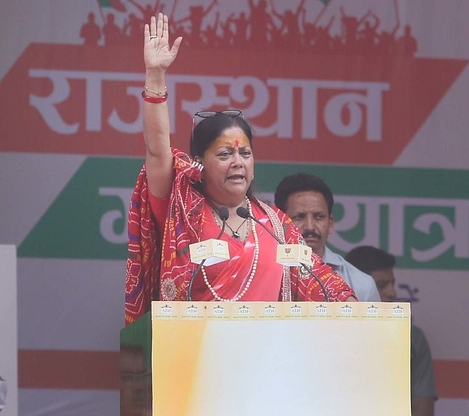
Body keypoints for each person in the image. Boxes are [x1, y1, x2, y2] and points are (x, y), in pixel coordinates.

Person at [125, 13, 356, 325]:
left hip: (266, 361)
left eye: (245, 153)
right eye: (224, 154)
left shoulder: (274, 225)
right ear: (200, 162)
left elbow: (318, 280)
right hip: (194, 358)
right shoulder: (180, 205)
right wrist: (155, 77)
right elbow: (156, 149)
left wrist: (356, 309)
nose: (238, 162)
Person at [345, 246, 437, 416]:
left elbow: (422, 404)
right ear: (354, 287)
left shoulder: (412, 337)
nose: (392, 293)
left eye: (392, 284)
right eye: (381, 285)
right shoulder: (330, 332)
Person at [274, 173, 380, 302]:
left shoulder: (362, 284)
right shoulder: (263, 275)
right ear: (279, 223)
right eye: (299, 217)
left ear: (330, 223)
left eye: (319, 217)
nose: (310, 227)